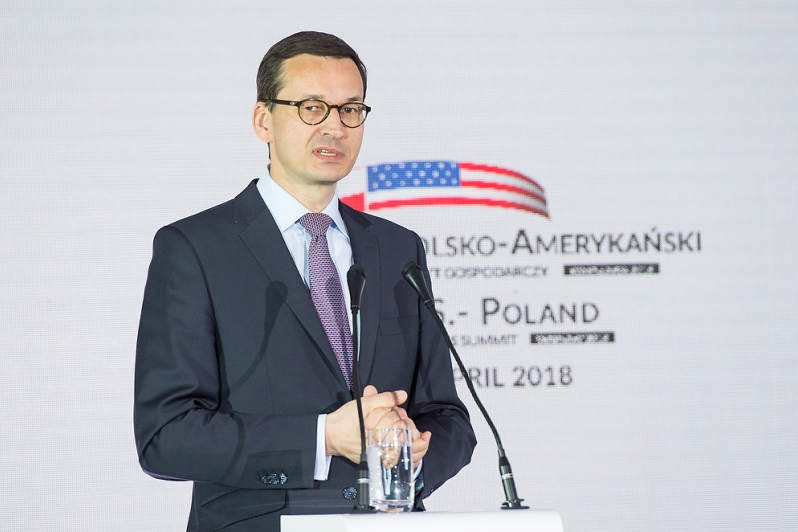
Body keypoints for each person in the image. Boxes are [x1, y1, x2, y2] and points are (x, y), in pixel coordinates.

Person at [134, 31, 476, 532]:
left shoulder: (398, 249)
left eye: (350, 109)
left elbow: (448, 417)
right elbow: (166, 437)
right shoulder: (195, 249)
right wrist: (323, 438)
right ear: (263, 120)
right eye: (312, 107)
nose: (335, 127)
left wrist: (408, 460)